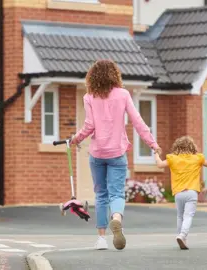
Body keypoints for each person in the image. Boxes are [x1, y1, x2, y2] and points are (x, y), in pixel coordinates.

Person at [71, 59, 161, 251]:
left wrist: (76, 139)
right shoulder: (123, 95)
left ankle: (101, 239)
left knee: (101, 194)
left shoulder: (89, 97)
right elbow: (137, 121)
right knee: (117, 193)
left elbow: (89, 125)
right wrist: (153, 144)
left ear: (92, 77)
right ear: (115, 75)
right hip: (117, 152)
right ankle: (117, 218)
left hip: (97, 153)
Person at [154, 136, 207, 250]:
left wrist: (156, 154)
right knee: (188, 215)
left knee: (180, 216)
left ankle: (181, 238)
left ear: (177, 147)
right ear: (192, 146)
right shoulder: (198, 158)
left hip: (179, 193)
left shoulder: (172, 158)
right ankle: (182, 235)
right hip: (192, 192)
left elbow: (159, 165)